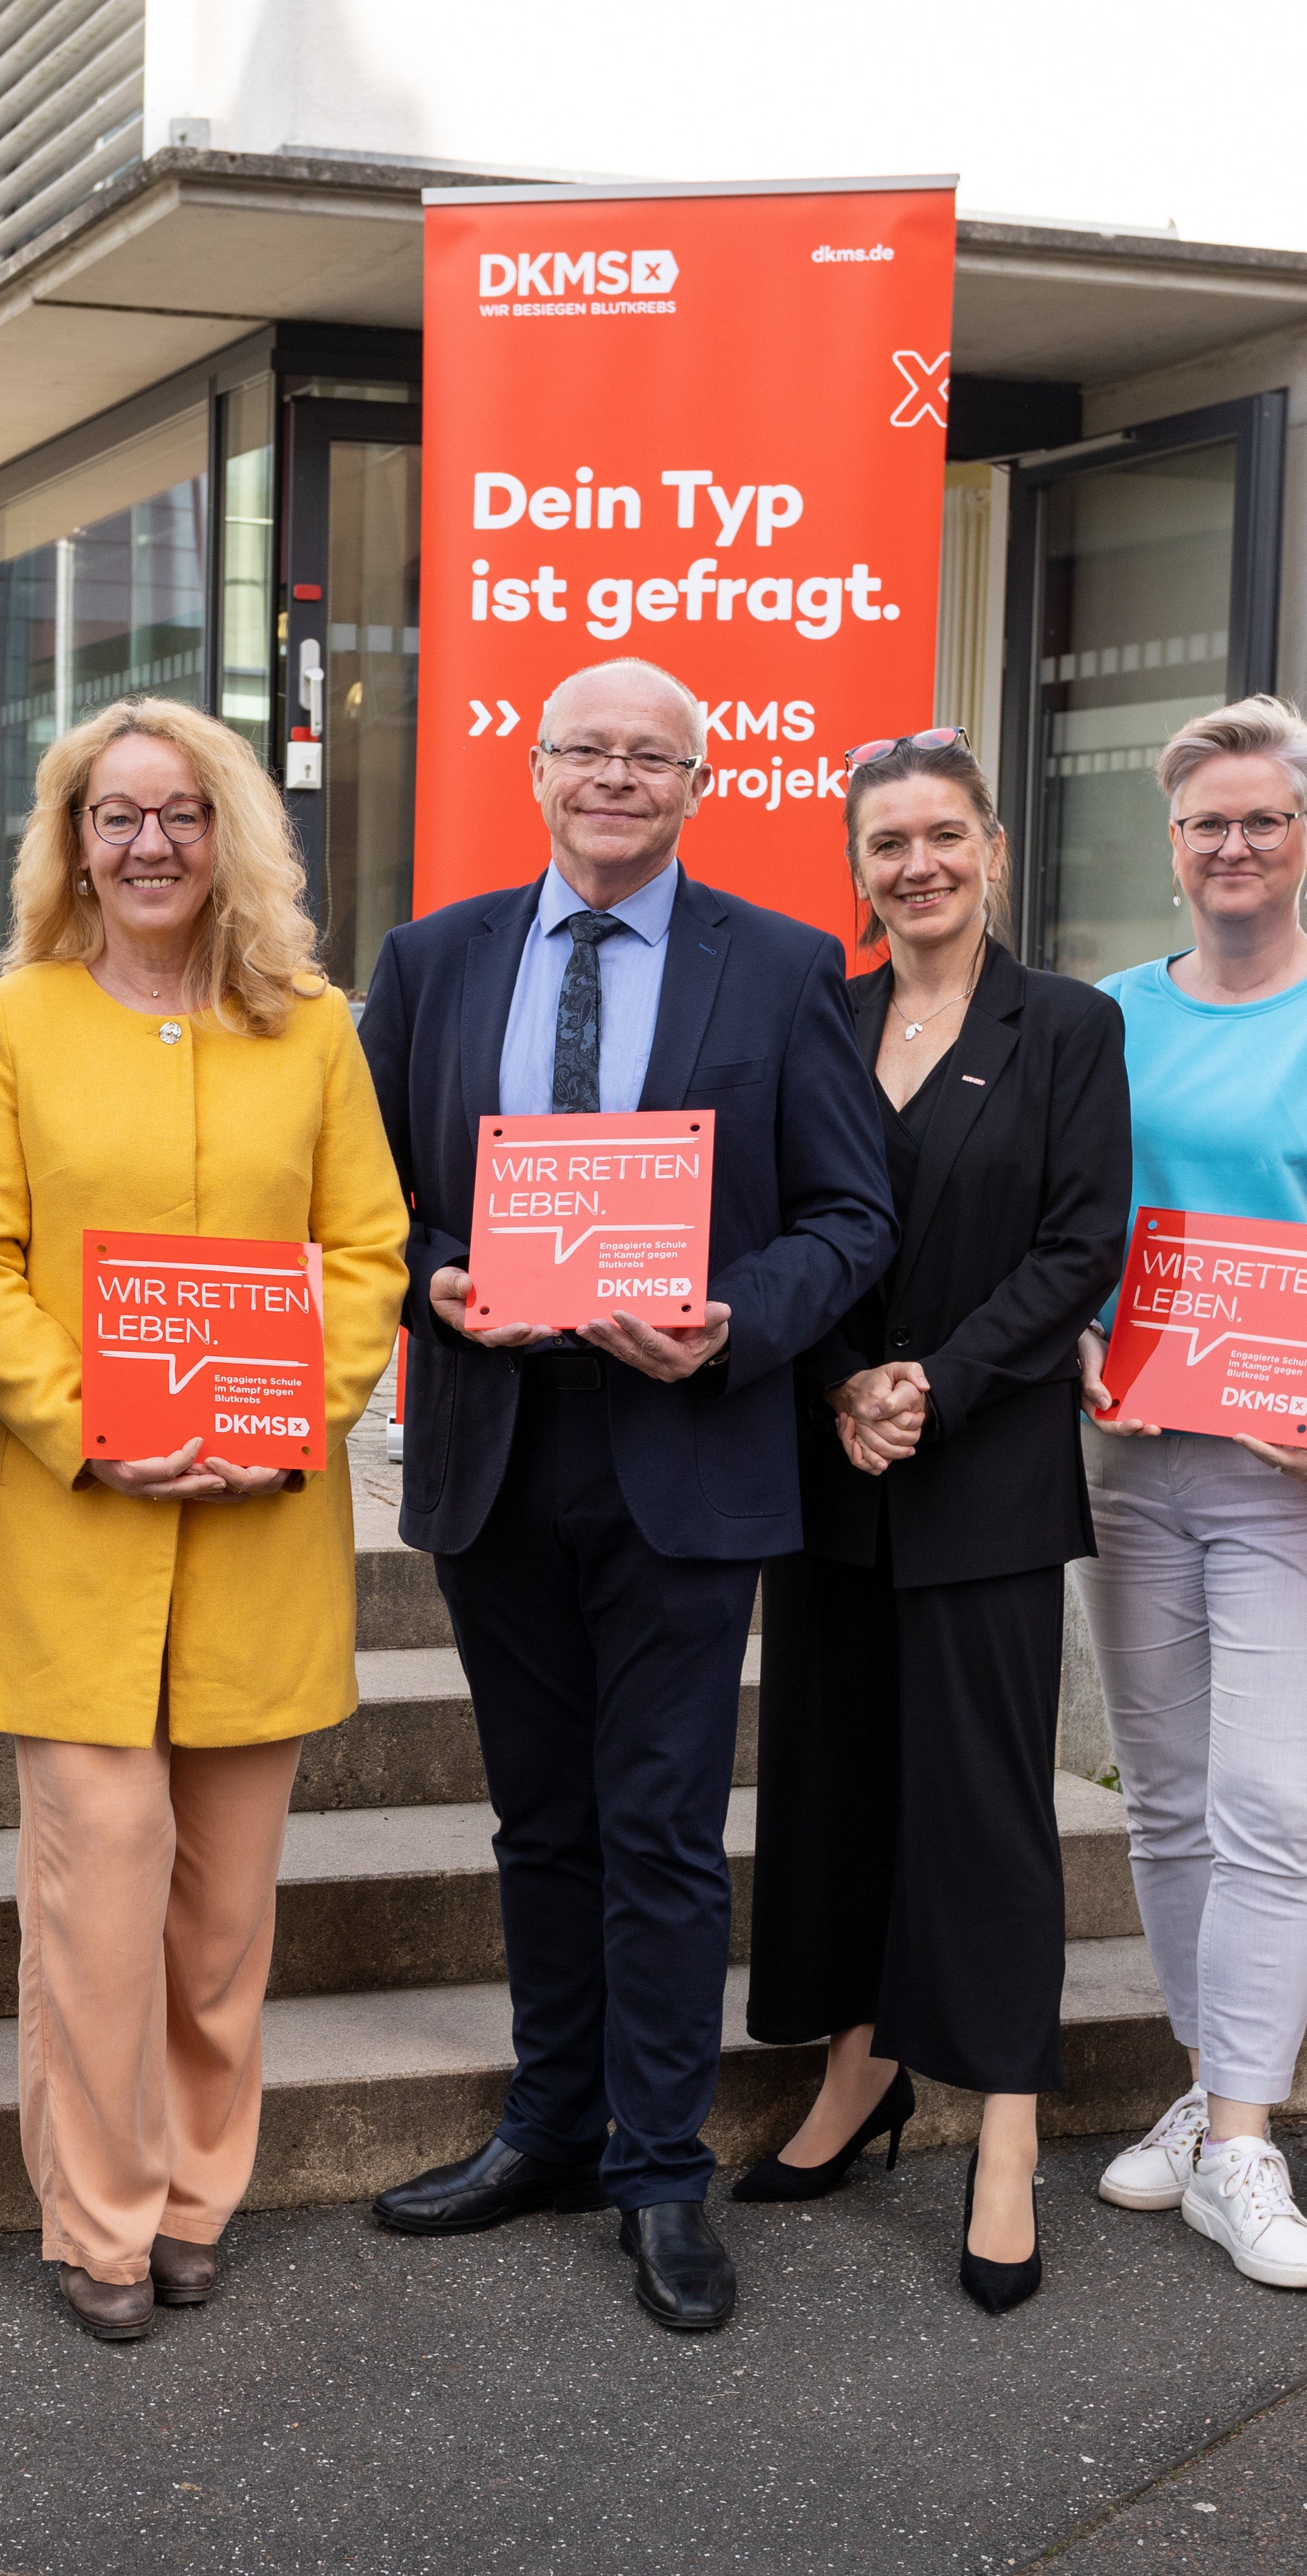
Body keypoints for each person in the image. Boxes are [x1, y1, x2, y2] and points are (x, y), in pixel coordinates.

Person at [359, 657, 892, 2335]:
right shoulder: (434, 960)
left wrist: (741, 1324)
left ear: (697, 784)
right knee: (541, 1820)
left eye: (649, 759)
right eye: (584, 750)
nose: (613, 778)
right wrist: (435, 1284)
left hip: (687, 1450)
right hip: (498, 1444)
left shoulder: (790, 965)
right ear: (534, 771)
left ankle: (658, 2168)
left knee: (661, 1830)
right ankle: (547, 2124)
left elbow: (851, 1221)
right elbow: (366, 1199)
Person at [0, 696, 407, 2345]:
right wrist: (90, 1426)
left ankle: (204, 2193)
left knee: (221, 1918)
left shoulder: (315, 1029)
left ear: (231, 840)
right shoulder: (13, 1027)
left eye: (181, 814)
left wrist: (294, 1413)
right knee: (100, 1891)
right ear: (73, 843)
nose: (148, 844)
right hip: (78, 1532)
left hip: (264, 1529)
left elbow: (369, 1256)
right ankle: (100, 2219)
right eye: (114, 816)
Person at [740, 729, 1128, 2317]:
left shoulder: (1069, 1027)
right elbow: (773, 1223)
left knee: (979, 1809)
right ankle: (857, 2075)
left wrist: (932, 1385)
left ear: (993, 849)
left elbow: (1079, 1242)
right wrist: (839, 1380)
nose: (919, 864)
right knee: (834, 1787)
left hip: (980, 1468)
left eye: (944, 836)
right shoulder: (815, 1018)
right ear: (857, 867)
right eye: (888, 841)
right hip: (829, 1466)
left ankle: (1005, 2140)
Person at [1072, 694, 1307, 2291]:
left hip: (1306, 1467)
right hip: (1131, 1456)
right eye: (1205, 823)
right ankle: (1211, 2088)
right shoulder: (1105, 1015)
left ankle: (1241, 2140)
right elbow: (1083, 1222)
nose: (1233, 845)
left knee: (1276, 1807)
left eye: (1262, 820)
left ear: (1306, 839)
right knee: (1164, 1797)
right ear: (1175, 848)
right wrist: (1089, 1343)